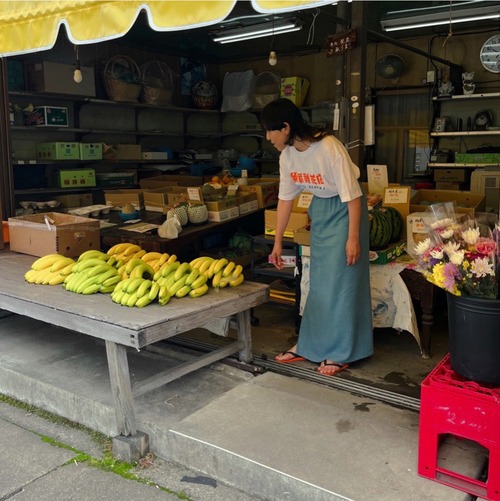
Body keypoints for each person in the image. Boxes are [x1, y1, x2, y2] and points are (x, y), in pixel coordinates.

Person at [260, 98, 373, 376]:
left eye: (270, 130)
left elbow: (354, 198)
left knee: (342, 283)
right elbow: (285, 200)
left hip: (347, 211)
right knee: (319, 282)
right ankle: (309, 345)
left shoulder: (329, 148)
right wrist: (277, 242)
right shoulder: (287, 156)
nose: (267, 137)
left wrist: (353, 239)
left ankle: (342, 352)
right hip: (321, 211)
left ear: (285, 127)